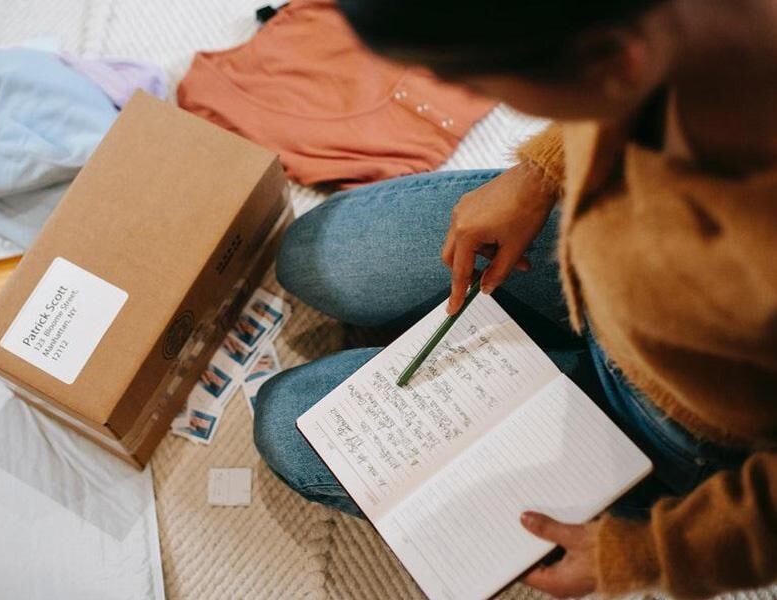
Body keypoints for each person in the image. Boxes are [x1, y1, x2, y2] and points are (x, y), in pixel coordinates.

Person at [252, 0, 777, 598]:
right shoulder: (648, 39)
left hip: (683, 424)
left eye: (471, 82)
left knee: (289, 423)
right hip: (579, 251)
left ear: (611, 63)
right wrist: (541, 173)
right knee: (312, 254)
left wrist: (647, 554)